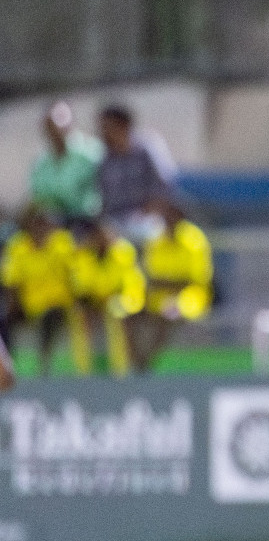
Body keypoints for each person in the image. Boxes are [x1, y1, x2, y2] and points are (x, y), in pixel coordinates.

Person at [1, 207, 89, 376]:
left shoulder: (62, 243)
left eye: (45, 223)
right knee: (4, 319)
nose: (41, 228)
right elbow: (11, 281)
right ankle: (6, 367)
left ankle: (45, 365)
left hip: (59, 305)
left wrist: (79, 299)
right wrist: (14, 306)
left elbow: (76, 276)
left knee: (51, 317)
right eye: (37, 223)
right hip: (29, 305)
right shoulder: (18, 246)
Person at [131, 201, 214, 373]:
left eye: (172, 217)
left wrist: (168, 283)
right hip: (159, 296)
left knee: (169, 312)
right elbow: (151, 278)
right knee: (129, 315)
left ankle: (144, 365)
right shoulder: (156, 239)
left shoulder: (194, 240)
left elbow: (196, 280)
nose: (168, 221)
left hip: (190, 296)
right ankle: (132, 362)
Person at [71, 220, 145, 377]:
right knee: (81, 316)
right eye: (98, 236)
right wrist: (97, 299)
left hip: (122, 299)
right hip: (94, 301)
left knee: (115, 311)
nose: (102, 239)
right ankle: (84, 371)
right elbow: (81, 286)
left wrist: (112, 299)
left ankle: (119, 370)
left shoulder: (123, 252)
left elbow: (130, 284)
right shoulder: (84, 255)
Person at [97, 104, 174, 244]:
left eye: (107, 127)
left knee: (147, 233)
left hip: (146, 219)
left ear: (124, 125)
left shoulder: (147, 148)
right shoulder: (105, 158)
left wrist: (147, 212)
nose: (103, 132)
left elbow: (164, 186)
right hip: (114, 221)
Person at [30, 101, 104, 228]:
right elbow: (40, 199)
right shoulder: (41, 165)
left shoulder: (93, 153)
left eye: (60, 121)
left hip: (90, 221)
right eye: (51, 124)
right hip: (55, 224)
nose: (56, 128)